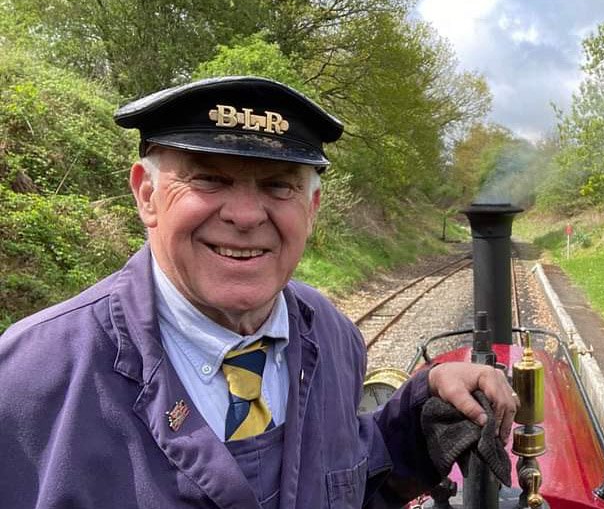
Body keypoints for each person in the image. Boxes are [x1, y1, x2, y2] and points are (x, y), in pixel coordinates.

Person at [0, 76, 516, 508]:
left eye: (278, 185)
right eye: (209, 179)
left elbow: (347, 480)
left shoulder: (335, 339)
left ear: (311, 209)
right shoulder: (26, 383)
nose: (246, 216)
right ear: (147, 194)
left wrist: (415, 421)